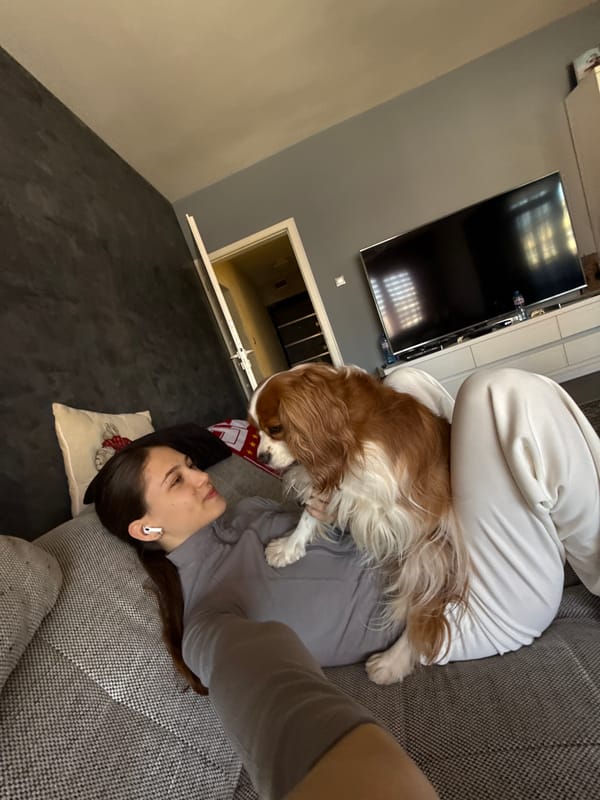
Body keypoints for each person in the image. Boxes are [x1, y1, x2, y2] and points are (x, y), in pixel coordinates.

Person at [93, 367, 600, 798]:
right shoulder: (209, 614)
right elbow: (264, 693)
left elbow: (350, 523)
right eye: (177, 481)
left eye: (189, 465)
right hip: (469, 608)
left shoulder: (247, 513)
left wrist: (337, 507)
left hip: (444, 540)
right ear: (146, 528)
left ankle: (539, 498)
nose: (203, 476)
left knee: (405, 380)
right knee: (499, 394)